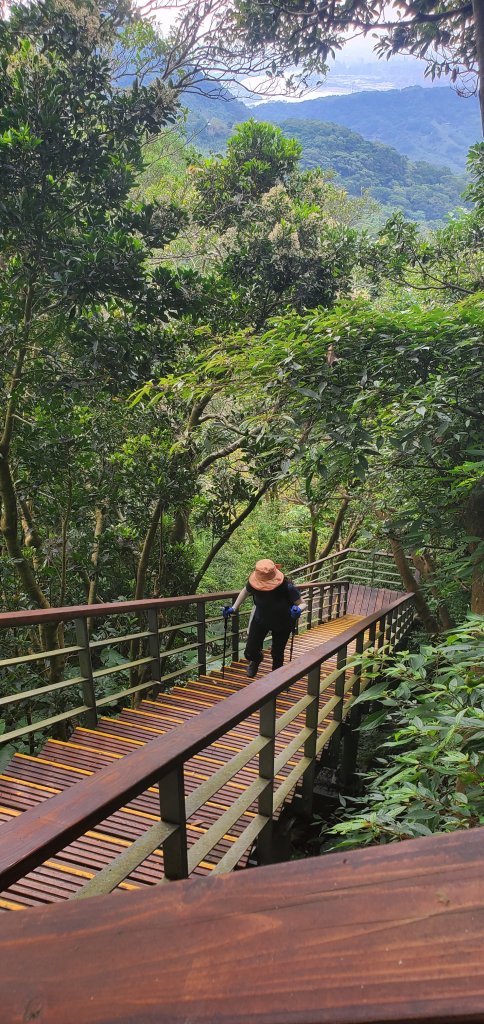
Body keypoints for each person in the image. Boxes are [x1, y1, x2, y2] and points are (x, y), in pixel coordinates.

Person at [223, 559, 306, 678]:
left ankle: (276, 679)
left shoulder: (287, 587)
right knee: (250, 651)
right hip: (261, 620)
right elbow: (245, 591)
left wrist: (298, 610)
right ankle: (256, 659)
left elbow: (303, 603)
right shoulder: (254, 584)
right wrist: (234, 607)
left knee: (277, 654)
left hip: (282, 623)